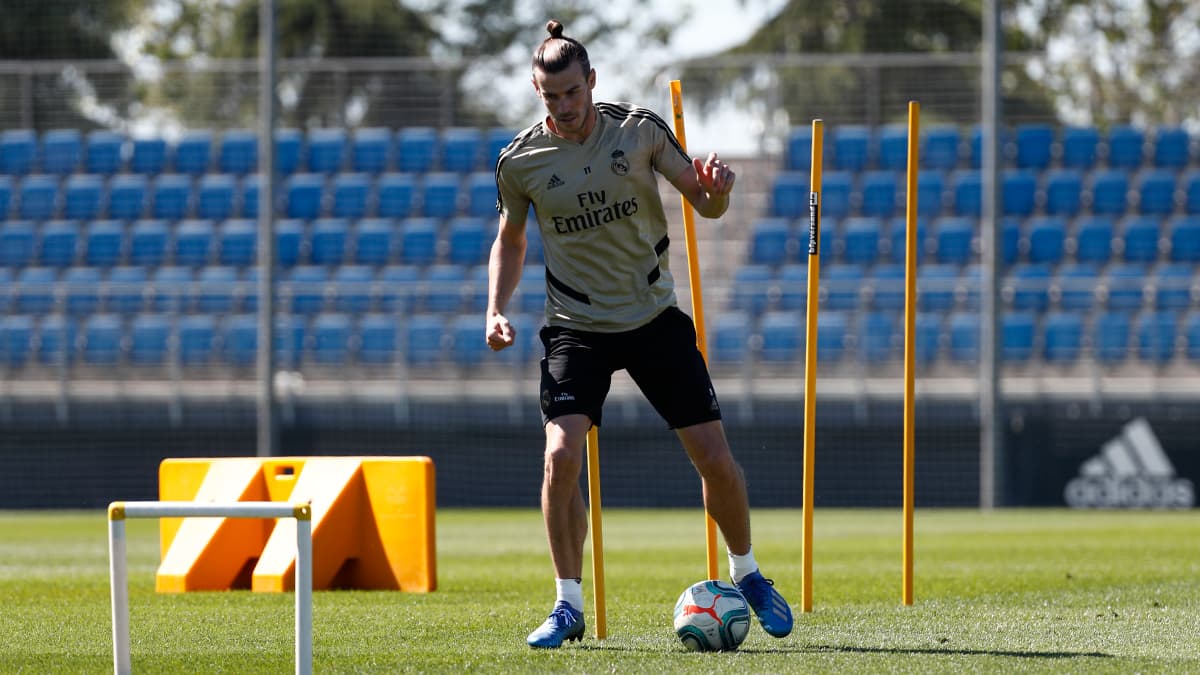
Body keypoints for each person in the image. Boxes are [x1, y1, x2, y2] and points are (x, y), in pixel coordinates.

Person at [485, 19, 794, 649]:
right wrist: (495, 308)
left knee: (715, 459)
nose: (564, 106)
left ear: (592, 81)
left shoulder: (641, 130)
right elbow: (510, 241)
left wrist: (718, 193)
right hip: (576, 327)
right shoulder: (519, 161)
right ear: (538, 93)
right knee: (560, 456)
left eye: (572, 92)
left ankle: (748, 574)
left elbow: (704, 202)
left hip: (653, 317)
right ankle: (567, 604)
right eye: (551, 96)